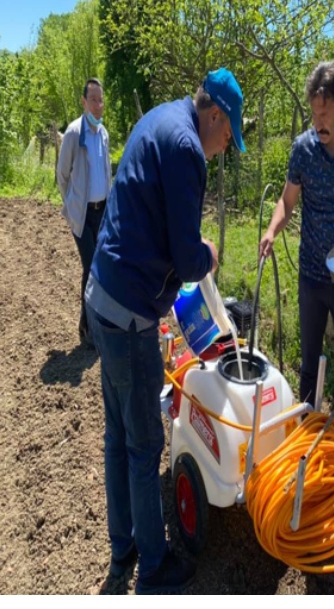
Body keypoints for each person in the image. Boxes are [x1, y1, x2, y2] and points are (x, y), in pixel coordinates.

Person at [85, 68, 244, 594]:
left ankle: (123, 544)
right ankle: (152, 569)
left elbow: (160, 219)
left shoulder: (161, 117)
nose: (224, 148)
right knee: (144, 443)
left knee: (117, 437)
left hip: (103, 295)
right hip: (130, 312)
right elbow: (186, 257)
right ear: (215, 115)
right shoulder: (186, 148)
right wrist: (209, 255)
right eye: (228, 136)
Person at [259, 60, 334, 493]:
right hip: (312, 276)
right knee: (308, 367)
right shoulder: (303, 149)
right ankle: (308, 447)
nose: (319, 124)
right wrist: (273, 229)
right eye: (314, 116)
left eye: (326, 116)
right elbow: (287, 201)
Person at [57, 77, 112, 348]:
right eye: (93, 100)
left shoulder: (103, 134)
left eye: (101, 100)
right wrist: (72, 205)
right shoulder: (73, 133)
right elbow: (61, 175)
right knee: (91, 268)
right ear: (83, 102)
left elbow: (106, 174)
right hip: (82, 215)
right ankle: (88, 330)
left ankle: (88, 324)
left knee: (99, 269)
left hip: (102, 213)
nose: (98, 105)